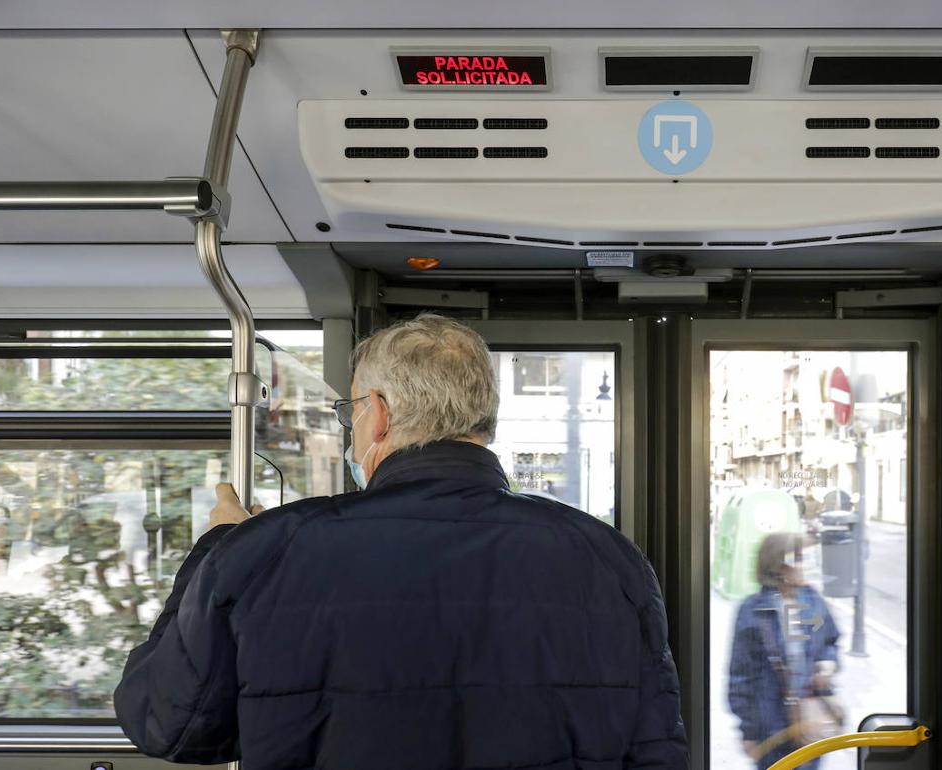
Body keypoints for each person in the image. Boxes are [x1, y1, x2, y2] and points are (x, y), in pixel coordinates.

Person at [114, 313, 688, 770]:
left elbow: (169, 726)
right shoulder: (609, 559)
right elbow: (656, 750)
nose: (351, 428)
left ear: (380, 415)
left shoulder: (266, 552)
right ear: (484, 420)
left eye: (351, 411)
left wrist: (216, 548)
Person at [727, 533, 840, 770]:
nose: (807, 565)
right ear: (780, 566)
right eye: (800, 559)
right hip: (771, 729)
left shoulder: (813, 601)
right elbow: (740, 678)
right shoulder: (752, 610)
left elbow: (829, 640)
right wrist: (748, 731)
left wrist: (827, 664)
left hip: (810, 723)